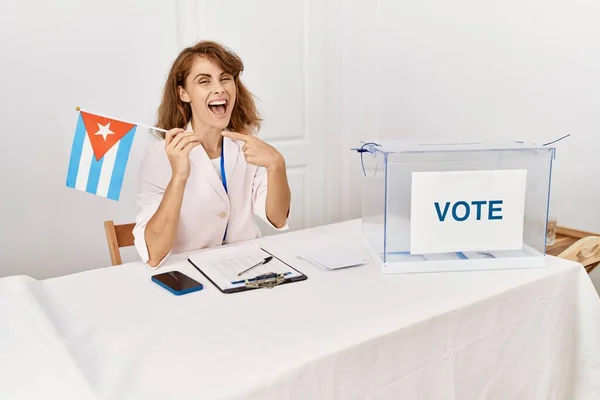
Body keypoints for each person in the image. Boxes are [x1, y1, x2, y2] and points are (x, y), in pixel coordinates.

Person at [132, 41, 291, 268]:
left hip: (249, 267)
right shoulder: (158, 157)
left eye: (225, 78)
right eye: (204, 81)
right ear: (183, 93)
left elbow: (278, 218)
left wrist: (277, 165)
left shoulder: (247, 145)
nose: (219, 88)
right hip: (190, 274)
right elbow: (154, 254)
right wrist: (178, 177)